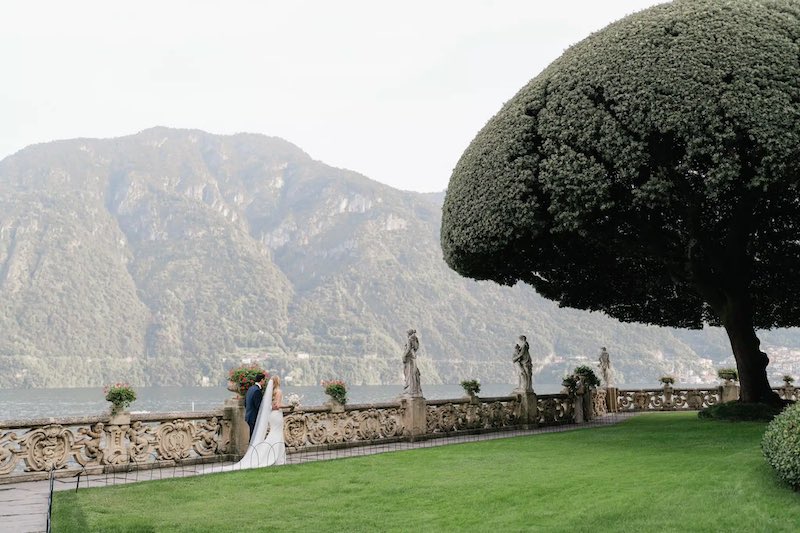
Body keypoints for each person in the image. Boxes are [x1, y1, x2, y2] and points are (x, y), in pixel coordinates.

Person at [244, 372, 267, 439]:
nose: (265, 382)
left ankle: (252, 448)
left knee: (252, 436)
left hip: (249, 416)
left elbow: (245, 403)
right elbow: (259, 406)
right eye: (264, 380)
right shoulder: (257, 391)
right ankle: (253, 449)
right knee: (254, 437)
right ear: (262, 380)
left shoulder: (250, 388)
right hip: (254, 417)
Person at [402, 329, 422, 397]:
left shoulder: (409, 339)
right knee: (413, 373)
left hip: (409, 358)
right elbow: (416, 348)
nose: (407, 335)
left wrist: (404, 356)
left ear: (409, 333)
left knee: (409, 374)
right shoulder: (415, 340)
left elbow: (408, 349)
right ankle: (415, 389)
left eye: (407, 333)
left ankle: (410, 389)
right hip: (413, 357)